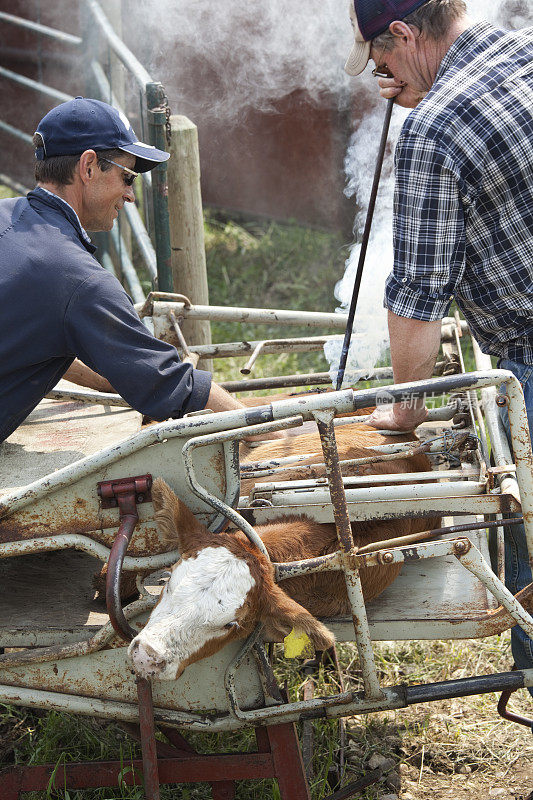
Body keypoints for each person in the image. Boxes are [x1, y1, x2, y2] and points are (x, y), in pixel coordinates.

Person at [344, 0, 533, 698]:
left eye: (381, 60)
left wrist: (404, 410)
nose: (381, 75)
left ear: (402, 33)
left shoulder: (435, 128)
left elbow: (419, 296)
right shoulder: (523, 48)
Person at [0, 97, 261, 445]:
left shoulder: (7, 216)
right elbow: (170, 384)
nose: (130, 195)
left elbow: (26, 340)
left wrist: (113, 373)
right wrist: (264, 432)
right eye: (127, 177)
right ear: (88, 167)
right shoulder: (77, 281)